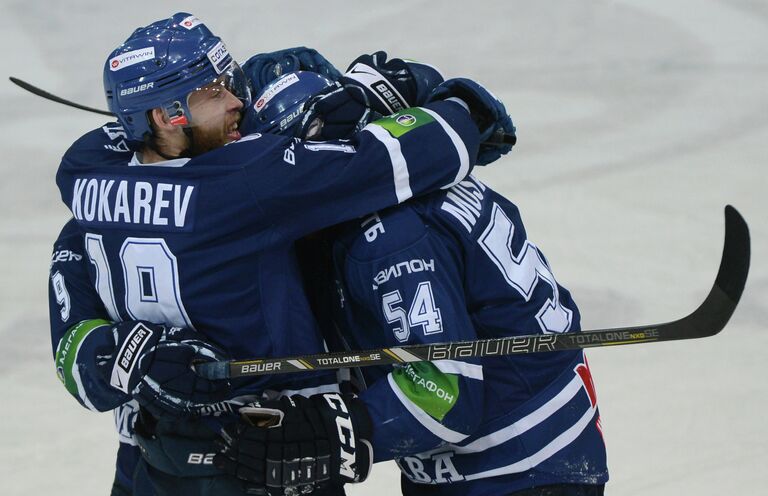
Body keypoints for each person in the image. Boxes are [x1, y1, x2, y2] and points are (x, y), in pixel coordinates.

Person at [48, 12, 514, 496]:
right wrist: (449, 104)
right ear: (166, 117)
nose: (235, 102)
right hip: (273, 458)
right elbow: (418, 154)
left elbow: (74, 355)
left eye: (229, 82)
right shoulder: (249, 183)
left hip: (149, 465)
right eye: (212, 92)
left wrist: (130, 359)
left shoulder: (87, 185)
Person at [212, 73, 609, 495]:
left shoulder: (386, 238)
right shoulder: (411, 180)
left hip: (512, 471)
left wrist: (338, 433)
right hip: (526, 451)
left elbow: (444, 392)